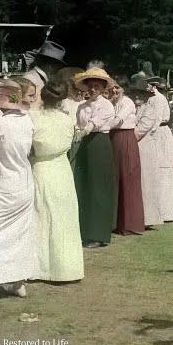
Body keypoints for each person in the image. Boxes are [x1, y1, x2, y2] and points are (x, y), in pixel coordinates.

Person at [0, 80, 37, 296]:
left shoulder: (0, 123)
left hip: (1, 185)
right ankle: (16, 281)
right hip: (23, 183)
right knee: (19, 235)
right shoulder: (27, 121)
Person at [29, 81, 84, 282]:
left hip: (42, 166)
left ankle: (41, 269)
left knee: (41, 214)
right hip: (60, 168)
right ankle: (67, 269)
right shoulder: (67, 119)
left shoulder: (33, 117)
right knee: (62, 217)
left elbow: (30, 147)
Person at [73, 65, 117, 248]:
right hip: (85, 145)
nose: (92, 89)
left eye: (97, 86)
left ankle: (99, 234)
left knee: (99, 187)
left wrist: (83, 131)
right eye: (90, 85)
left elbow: (93, 124)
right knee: (84, 185)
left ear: (103, 88)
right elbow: (78, 124)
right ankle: (85, 231)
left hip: (99, 143)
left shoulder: (106, 105)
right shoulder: (81, 106)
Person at [107, 81, 145, 235]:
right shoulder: (111, 102)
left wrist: (99, 123)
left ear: (123, 89)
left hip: (125, 139)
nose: (114, 90)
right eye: (112, 88)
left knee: (127, 177)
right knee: (115, 178)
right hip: (113, 139)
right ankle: (115, 222)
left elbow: (117, 120)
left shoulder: (127, 103)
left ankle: (130, 224)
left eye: (118, 87)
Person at [146, 75, 173, 222]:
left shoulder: (157, 99)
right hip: (158, 133)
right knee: (159, 172)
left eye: (148, 85)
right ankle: (162, 211)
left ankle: (166, 212)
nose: (146, 87)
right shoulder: (154, 98)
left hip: (159, 134)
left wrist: (150, 133)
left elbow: (156, 119)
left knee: (163, 171)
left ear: (153, 86)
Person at [130, 77, 164, 228]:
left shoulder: (149, 110)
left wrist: (125, 137)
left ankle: (148, 218)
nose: (137, 96)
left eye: (140, 94)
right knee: (136, 182)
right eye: (135, 93)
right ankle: (135, 216)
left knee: (146, 182)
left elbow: (140, 130)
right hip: (135, 147)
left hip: (145, 149)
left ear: (146, 95)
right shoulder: (134, 109)